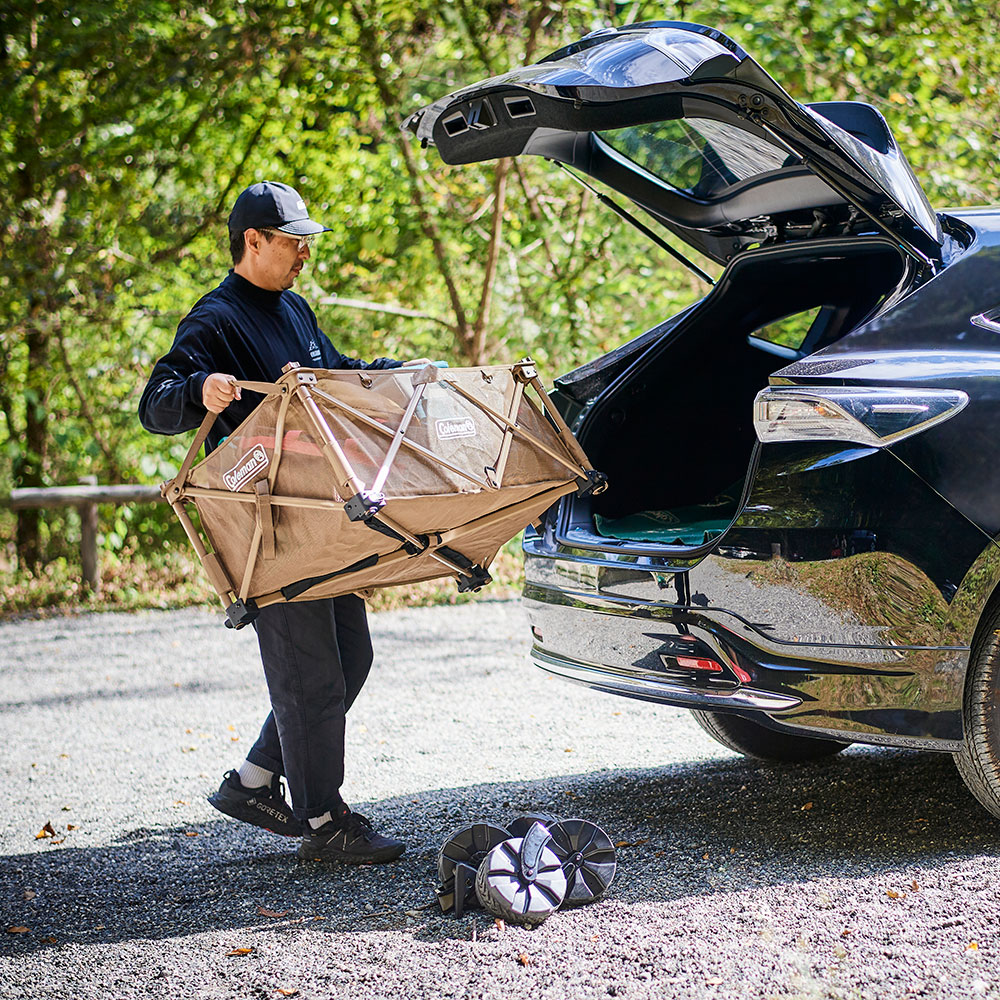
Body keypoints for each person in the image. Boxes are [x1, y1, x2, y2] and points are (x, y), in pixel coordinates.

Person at [139, 180, 427, 864]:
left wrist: (400, 377)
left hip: (316, 514)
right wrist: (197, 391)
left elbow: (338, 377)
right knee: (311, 675)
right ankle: (326, 823)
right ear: (253, 242)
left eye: (306, 242)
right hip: (263, 524)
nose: (304, 254)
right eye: (293, 242)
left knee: (350, 656)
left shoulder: (294, 310)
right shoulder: (215, 318)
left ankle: (254, 781)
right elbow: (156, 403)